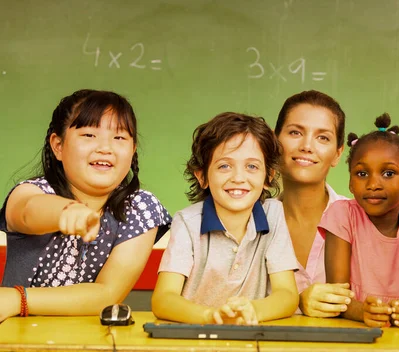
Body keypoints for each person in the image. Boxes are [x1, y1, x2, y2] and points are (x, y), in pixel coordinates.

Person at [0, 89, 171, 322]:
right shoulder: (32, 191)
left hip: (92, 340)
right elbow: (29, 211)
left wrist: (16, 299)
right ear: (58, 146)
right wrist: (66, 212)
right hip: (16, 336)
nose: (105, 147)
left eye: (119, 138)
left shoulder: (142, 208)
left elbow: (107, 294)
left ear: (133, 150)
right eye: (89, 135)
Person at [152, 112, 298, 325]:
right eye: (224, 166)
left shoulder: (274, 214)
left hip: (251, 338)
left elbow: (287, 295)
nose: (238, 178)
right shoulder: (187, 221)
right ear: (202, 176)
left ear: (269, 176)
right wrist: (210, 317)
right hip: (195, 339)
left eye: (252, 166)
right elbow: (163, 299)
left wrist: (250, 311)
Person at [319, 113, 399, 328]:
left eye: (389, 173)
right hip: (354, 332)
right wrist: (362, 311)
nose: (373, 184)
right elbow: (337, 294)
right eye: (362, 174)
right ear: (351, 183)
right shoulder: (342, 215)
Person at [274, 90, 354, 317]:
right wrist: (295, 301)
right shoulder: (249, 220)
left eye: (323, 138)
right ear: (274, 141)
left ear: (338, 154)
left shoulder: (361, 219)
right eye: (295, 132)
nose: (307, 146)